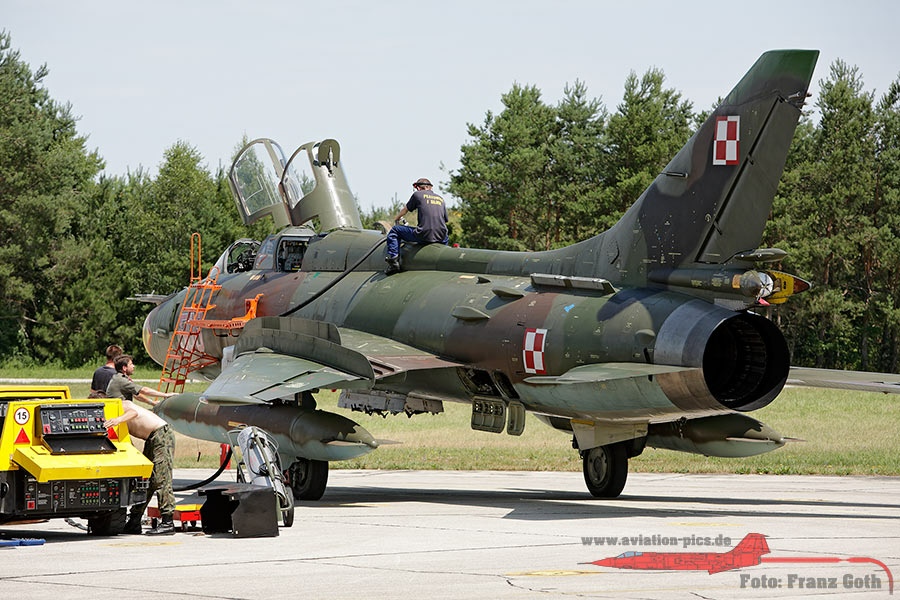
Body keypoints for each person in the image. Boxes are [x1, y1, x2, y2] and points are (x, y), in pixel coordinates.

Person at [104, 354, 178, 535]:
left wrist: (117, 420)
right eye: (132, 364)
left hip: (161, 436)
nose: (134, 366)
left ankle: (168, 522)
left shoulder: (121, 404)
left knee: (161, 479)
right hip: (153, 438)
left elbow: (133, 412)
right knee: (147, 479)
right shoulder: (119, 396)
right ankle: (134, 521)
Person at [385, 178, 449, 275]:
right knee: (445, 235)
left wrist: (397, 218)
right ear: (430, 188)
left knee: (395, 231)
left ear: (418, 188)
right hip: (442, 237)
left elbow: (405, 210)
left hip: (424, 235)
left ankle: (393, 261)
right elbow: (445, 220)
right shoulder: (440, 199)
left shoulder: (417, 195)